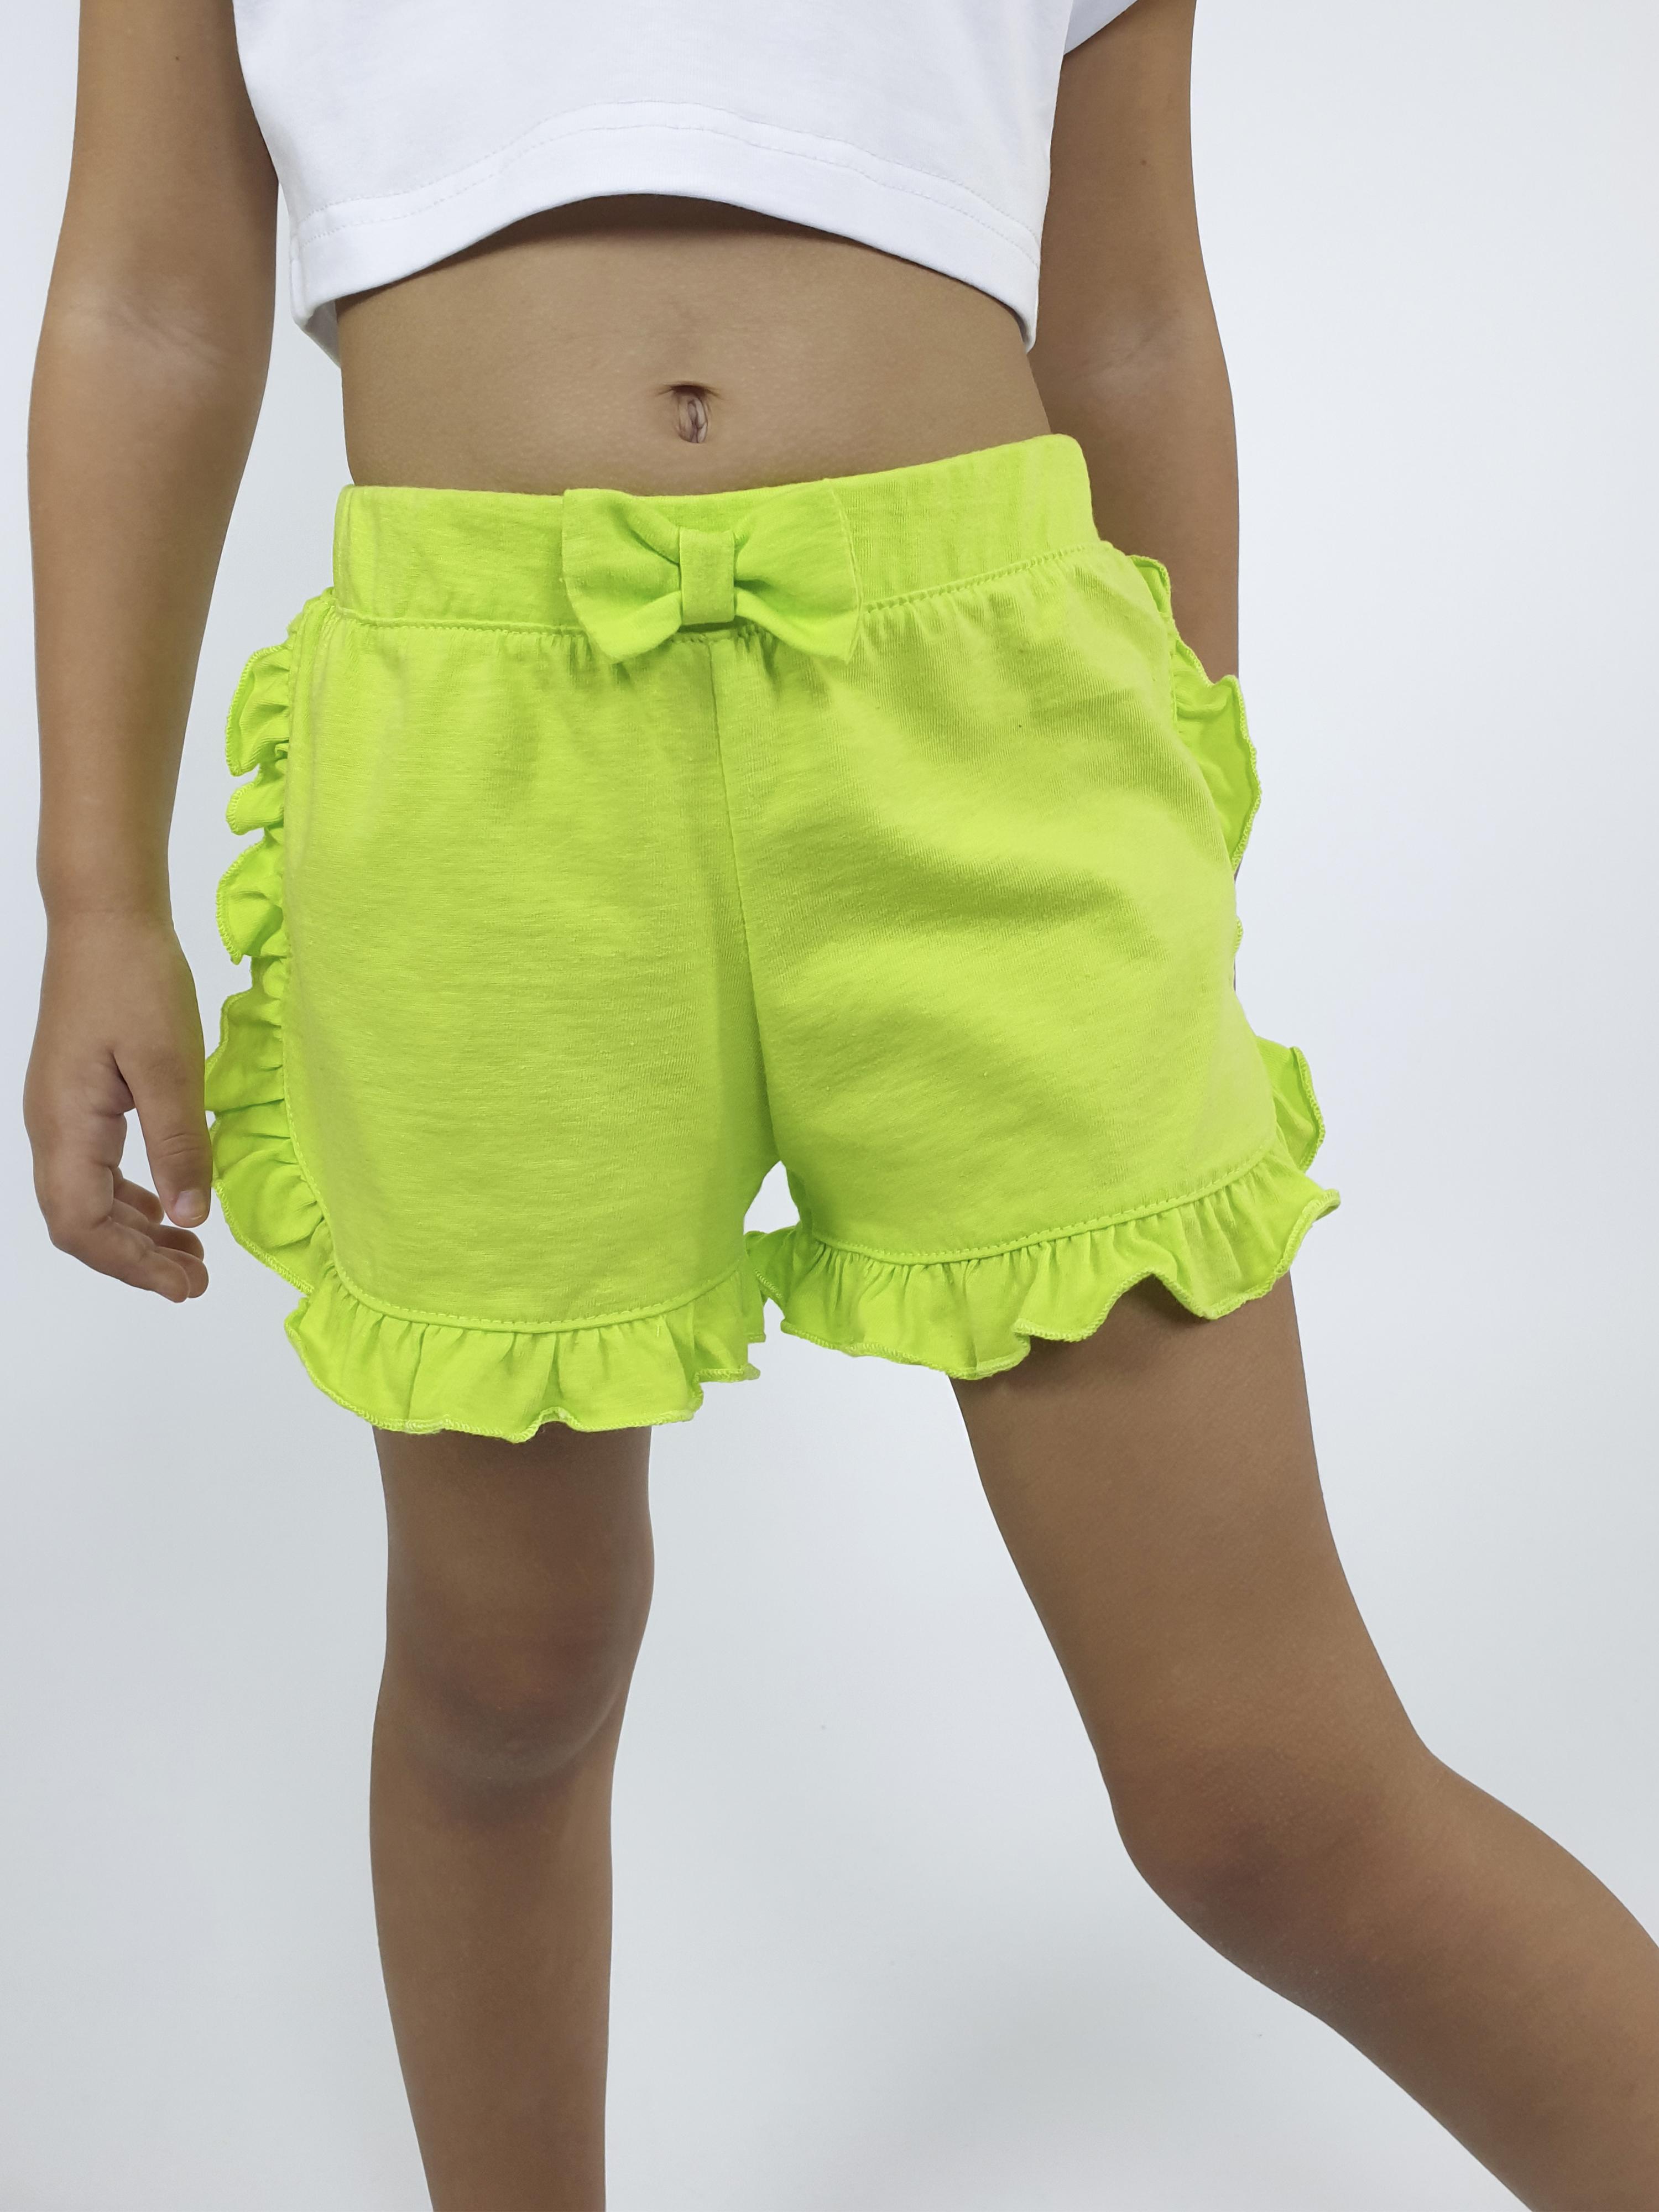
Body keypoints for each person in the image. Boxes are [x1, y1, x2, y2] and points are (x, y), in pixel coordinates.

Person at [22, 1, 1659, 2204]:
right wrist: (97, 895)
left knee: (1260, 1786)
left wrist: (1186, 791)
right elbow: (146, 298)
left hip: (996, 729)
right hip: (477, 767)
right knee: (505, 1675)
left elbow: (1132, 317)